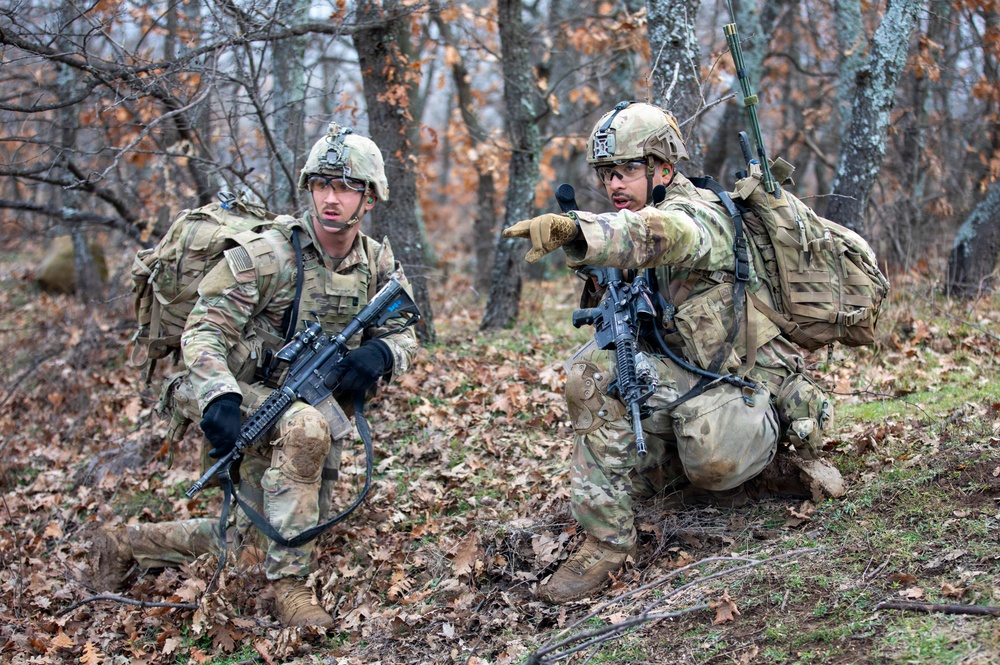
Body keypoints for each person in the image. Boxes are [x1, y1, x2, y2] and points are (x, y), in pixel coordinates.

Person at [502, 101, 845, 604]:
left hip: (745, 382)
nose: (615, 184)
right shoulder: (635, 217)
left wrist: (581, 231)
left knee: (709, 459)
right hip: (692, 380)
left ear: (663, 168)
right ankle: (611, 536)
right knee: (602, 376)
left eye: (627, 170)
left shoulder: (695, 216)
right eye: (606, 174)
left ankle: (767, 461)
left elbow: (661, 236)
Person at [87, 124, 419, 628]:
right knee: (305, 434)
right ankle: (291, 589)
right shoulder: (269, 256)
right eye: (320, 185)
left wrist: (382, 354)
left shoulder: (376, 264)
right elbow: (203, 330)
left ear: (369, 198)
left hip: (303, 397)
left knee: (251, 540)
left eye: (346, 187)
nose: (331, 199)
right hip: (236, 396)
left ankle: (128, 543)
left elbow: (406, 332)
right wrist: (219, 395)